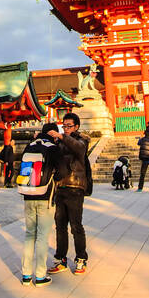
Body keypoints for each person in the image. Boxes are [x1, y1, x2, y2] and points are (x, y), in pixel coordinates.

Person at [17, 121, 62, 286]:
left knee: (29, 235)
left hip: (28, 195)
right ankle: (41, 275)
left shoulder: (29, 146)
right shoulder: (53, 148)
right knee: (43, 236)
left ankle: (26, 275)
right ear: (53, 134)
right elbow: (62, 171)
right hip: (45, 196)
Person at [48, 112, 89, 275]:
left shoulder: (82, 139)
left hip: (75, 187)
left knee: (76, 226)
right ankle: (61, 258)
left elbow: (79, 148)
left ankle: (81, 258)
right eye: (63, 126)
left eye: (69, 126)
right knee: (60, 226)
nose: (65, 129)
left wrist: (62, 137)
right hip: (61, 187)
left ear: (76, 126)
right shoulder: (61, 141)